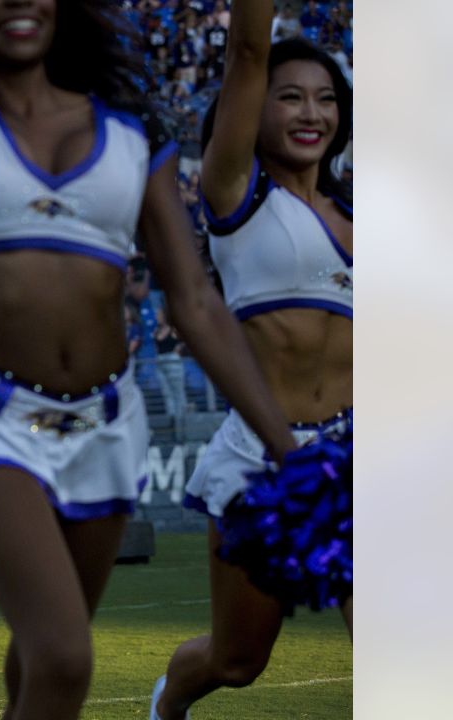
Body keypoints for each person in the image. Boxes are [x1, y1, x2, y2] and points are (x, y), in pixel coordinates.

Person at [0, 2, 299, 718]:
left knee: (38, 651)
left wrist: (286, 449)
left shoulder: (129, 133)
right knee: (66, 657)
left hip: (106, 427)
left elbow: (196, 303)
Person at [153, 4, 354, 717]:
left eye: (327, 99)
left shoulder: (360, 212)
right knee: (237, 662)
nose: (312, 112)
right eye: (290, 95)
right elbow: (244, 51)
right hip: (265, 459)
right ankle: (168, 703)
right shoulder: (237, 195)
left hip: (361, 454)